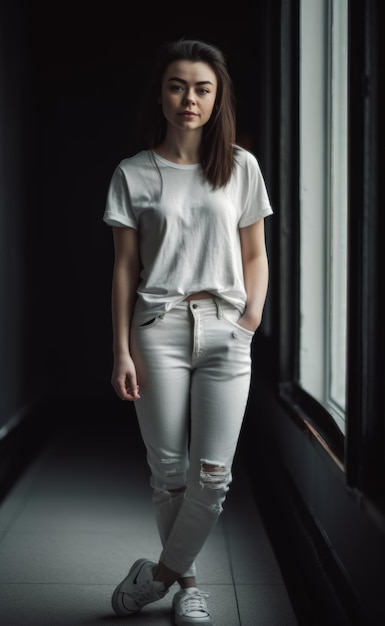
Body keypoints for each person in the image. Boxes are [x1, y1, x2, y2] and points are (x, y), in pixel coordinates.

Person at [103, 38, 273, 626]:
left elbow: (256, 253)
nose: (190, 98)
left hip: (227, 328)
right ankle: (189, 589)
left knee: (213, 475)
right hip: (158, 329)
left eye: (203, 87)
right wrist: (121, 347)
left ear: (218, 95)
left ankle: (157, 577)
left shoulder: (240, 168)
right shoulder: (133, 173)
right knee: (170, 471)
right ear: (161, 92)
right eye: (178, 85)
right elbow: (126, 266)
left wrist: (249, 318)